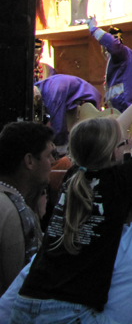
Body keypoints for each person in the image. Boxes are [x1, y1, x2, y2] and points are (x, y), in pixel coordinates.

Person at [8, 64, 132, 323]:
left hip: (26, 299)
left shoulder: (74, 176)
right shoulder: (118, 181)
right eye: (121, 143)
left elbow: (104, 135)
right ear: (114, 152)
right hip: (68, 311)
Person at [0, 123, 55, 294]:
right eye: (48, 155)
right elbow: (20, 286)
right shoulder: (15, 212)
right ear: (29, 161)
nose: (53, 162)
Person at [87, 16, 132, 113]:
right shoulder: (121, 63)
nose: (105, 53)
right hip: (125, 111)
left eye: (106, 49)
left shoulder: (122, 53)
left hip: (127, 109)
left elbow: (112, 44)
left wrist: (93, 28)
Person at [34, 74, 102, 150]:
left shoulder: (52, 96)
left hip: (89, 99)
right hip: (84, 95)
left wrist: (58, 152)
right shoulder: (41, 88)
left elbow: (58, 127)